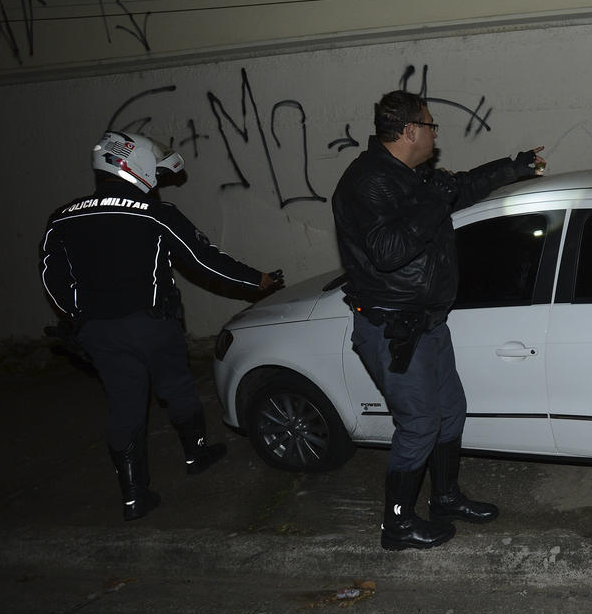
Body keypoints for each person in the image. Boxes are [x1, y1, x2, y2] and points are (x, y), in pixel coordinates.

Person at [332, 90, 544, 551]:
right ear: (409, 131)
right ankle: (397, 525)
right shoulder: (366, 184)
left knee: (451, 412)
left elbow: (459, 187)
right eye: (430, 126)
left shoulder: (407, 175)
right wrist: (436, 200)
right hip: (394, 331)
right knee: (420, 423)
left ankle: (444, 497)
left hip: (427, 323)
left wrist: (515, 166)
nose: (434, 135)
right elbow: (388, 252)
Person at [40, 131, 282, 521]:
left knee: (124, 403)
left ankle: (134, 494)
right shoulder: (154, 212)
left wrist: (79, 317)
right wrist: (257, 280)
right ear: (130, 163)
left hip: (98, 331)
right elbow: (203, 260)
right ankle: (197, 452)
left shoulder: (63, 216)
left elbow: (52, 275)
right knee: (176, 386)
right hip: (151, 325)